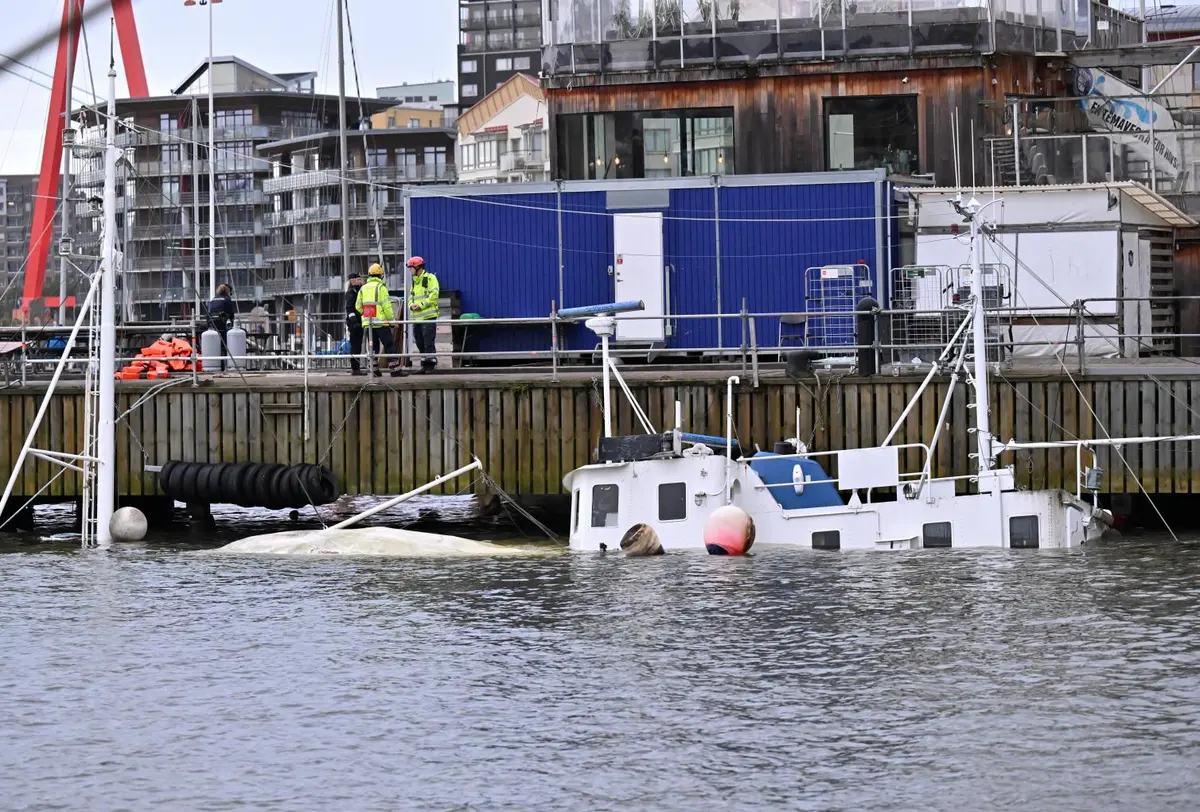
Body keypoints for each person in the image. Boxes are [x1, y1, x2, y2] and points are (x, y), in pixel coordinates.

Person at [355, 263, 406, 377]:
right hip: (381, 323)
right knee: (389, 345)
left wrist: (367, 314)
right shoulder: (380, 287)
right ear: (380, 276)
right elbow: (386, 307)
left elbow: (358, 306)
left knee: (373, 348)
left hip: (369, 324)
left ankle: (374, 370)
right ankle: (395, 370)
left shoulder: (363, 288)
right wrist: (393, 322)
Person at [406, 256, 440, 373]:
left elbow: (434, 295)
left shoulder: (430, 278)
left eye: (411, 268)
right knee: (420, 342)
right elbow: (410, 298)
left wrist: (420, 305)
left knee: (428, 341)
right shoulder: (415, 283)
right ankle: (425, 364)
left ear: (417, 267)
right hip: (417, 318)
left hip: (428, 316)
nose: (410, 271)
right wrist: (411, 305)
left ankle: (430, 365)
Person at [344, 273, 365, 375]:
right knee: (355, 346)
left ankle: (357, 367)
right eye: (358, 280)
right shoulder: (351, 292)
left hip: (360, 321)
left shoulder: (358, 291)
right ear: (352, 281)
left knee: (358, 345)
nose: (360, 281)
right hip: (354, 323)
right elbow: (349, 308)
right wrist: (354, 321)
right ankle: (355, 369)